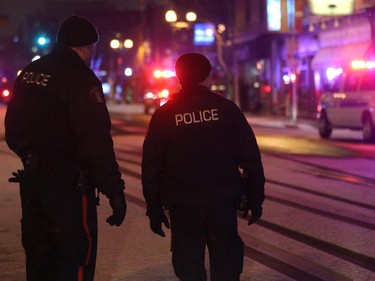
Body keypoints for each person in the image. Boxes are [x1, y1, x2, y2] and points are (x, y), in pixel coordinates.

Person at [5, 14, 126, 281]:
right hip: (69, 186)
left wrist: (31, 156)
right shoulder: (81, 79)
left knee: (39, 257)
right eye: (92, 48)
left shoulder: (30, 72)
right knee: (74, 258)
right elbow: (96, 140)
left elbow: (12, 128)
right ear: (85, 47)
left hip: (34, 182)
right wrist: (113, 190)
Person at [142, 52, 265, 281]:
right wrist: (254, 198)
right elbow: (251, 159)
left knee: (188, 265)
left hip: (183, 204)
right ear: (208, 77)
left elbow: (151, 168)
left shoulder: (164, 116)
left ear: (179, 79)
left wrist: (154, 208)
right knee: (226, 264)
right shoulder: (227, 110)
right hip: (223, 201)